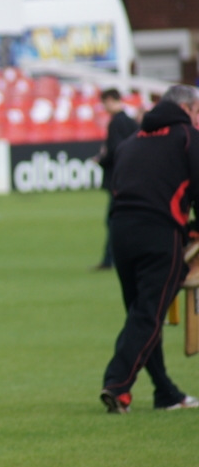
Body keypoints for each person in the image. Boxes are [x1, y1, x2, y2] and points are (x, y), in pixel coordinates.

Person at [100, 85, 199, 413]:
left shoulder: (133, 141)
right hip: (160, 233)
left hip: (121, 233)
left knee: (143, 316)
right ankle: (117, 384)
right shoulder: (188, 137)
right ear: (186, 109)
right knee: (148, 315)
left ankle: (165, 393)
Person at [92, 88, 138, 270]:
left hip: (118, 179)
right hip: (131, 178)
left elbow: (115, 149)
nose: (104, 107)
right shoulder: (131, 122)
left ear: (110, 100)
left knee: (113, 220)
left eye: (104, 103)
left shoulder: (116, 123)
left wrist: (101, 160)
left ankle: (110, 259)